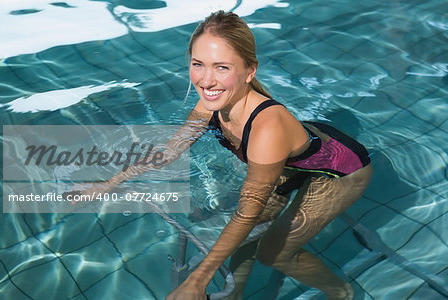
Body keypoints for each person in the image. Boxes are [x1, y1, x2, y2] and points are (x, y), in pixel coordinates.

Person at [77, 10, 372, 300]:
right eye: (198, 64)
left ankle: (341, 291)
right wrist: (109, 183)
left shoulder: (266, 128)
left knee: (273, 252)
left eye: (222, 67)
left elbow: (248, 211)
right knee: (248, 232)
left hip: (339, 171)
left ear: (249, 70)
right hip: (291, 158)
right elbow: (169, 151)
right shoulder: (211, 103)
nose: (206, 81)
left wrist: (198, 281)